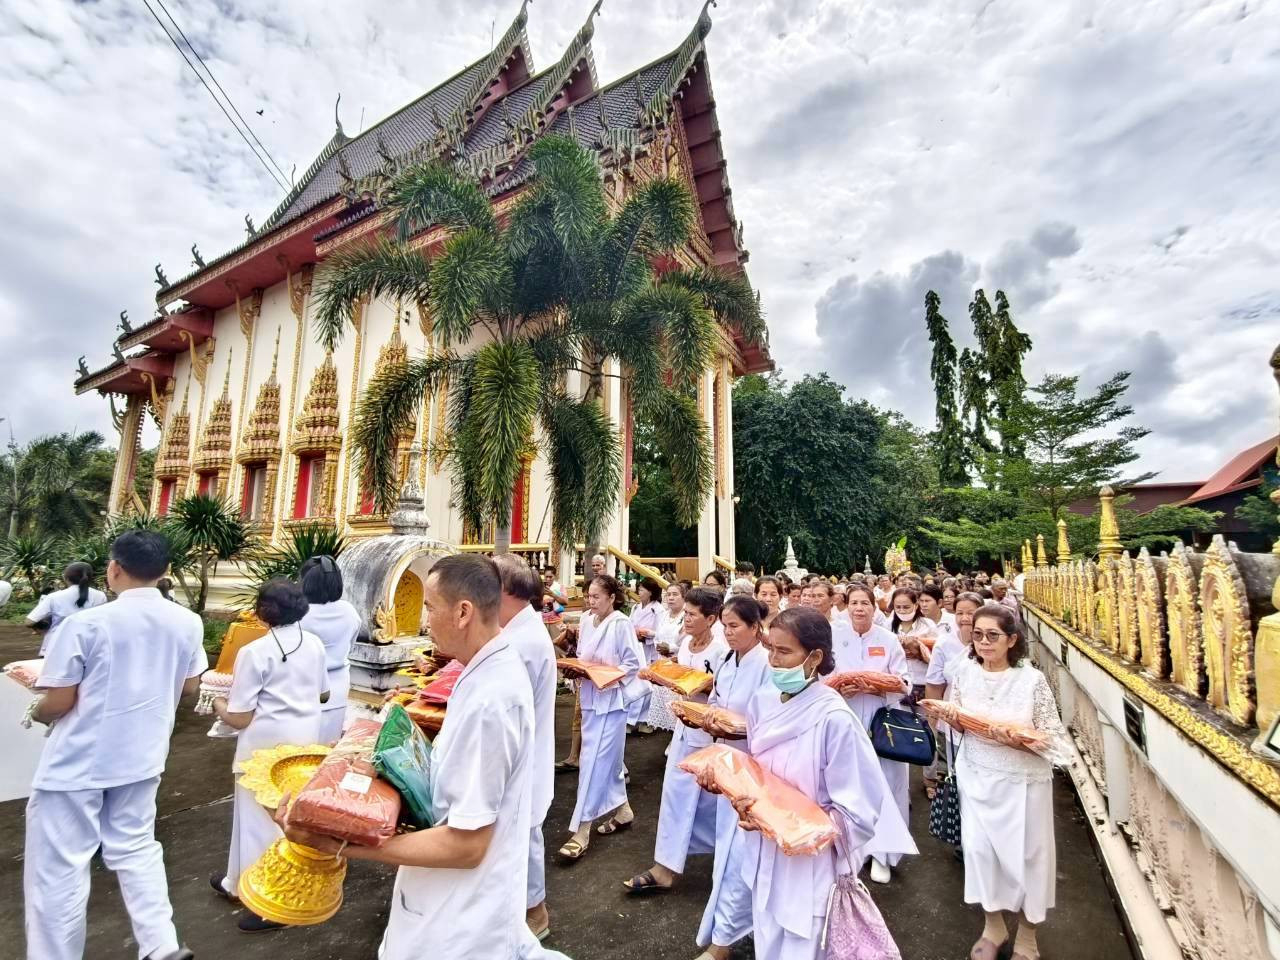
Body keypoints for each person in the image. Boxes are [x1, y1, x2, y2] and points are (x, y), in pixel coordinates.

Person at [280, 554, 568, 960]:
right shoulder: (482, 666)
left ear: (463, 612)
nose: (424, 619)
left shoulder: (492, 698)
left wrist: (339, 843)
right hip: (448, 900)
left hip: (460, 921)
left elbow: (467, 846)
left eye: (430, 608)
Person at [24, 531, 204, 960]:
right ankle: (161, 945)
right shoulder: (187, 621)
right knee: (137, 846)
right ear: (165, 573)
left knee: (60, 869)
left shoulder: (86, 624)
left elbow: (58, 701)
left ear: (114, 569)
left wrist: (33, 711)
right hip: (142, 755)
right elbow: (191, 690)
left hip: (79, 761)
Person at [735, 607, 897, 960]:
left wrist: (801, 829)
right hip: (764, 851)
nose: (774, 661)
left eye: (784, 652)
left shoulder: (834, 718)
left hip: (811, 866)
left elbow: (859, 808)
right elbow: (757, 774)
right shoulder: (762, 702)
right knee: (766, 937)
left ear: (815, 657)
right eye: (771, 649)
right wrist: (747, 804)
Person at [935, 604, 1067, 960]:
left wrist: (1019, 739)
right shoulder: (966, 674)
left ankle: (1028, 933)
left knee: (1028, 857)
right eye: (977, 635)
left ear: (1012, 639)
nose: (984, 643)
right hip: (976, 774)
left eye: (993, 635)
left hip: (1022, 782)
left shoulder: (1031, 680)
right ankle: (993, 925)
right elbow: (959, 720)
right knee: (980, 853)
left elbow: (1055, 739)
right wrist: (951, 716)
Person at [211, 578, 328, 931]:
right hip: (305, 741)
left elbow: (240, 715)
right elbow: (323, 695)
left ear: (262, 612)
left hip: (264, 744)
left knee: (256, 821)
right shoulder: (314, 644)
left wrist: (216, 702)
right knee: (285, 817)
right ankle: (238, 881)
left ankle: (268, 899)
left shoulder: (255, 651)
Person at [623, 586, 729, 894]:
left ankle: (726, 862)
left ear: (711, 618)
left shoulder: (721, 651)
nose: (686, 619)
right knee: (674, 798)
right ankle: (665, 867)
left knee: (715, 805)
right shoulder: (685, 645)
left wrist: (700, 688)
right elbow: (680, 680)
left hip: (711, 736)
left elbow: (723, 694)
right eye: (686, 613)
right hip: (684, 730)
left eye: (693, 615)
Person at [695, 595, 773, 960]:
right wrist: (711, 717)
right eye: (724, 626)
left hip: (755, 769)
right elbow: (718, 700)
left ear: (756, 628)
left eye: (735, 626)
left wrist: (735, 726)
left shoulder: (766, 665)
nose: (727, 633)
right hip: (727, 762)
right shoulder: (728, 660)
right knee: (725, 851)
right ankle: (732, 932)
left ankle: (724, 940)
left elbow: (767, 720)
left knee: (742, 854)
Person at [492, 555, 559, 945]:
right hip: (522, 750)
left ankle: (535, 911)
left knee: (524, 835)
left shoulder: (524, 640)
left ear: (503, 592)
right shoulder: (516, 631)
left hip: (522, 753)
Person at [834, 583, 916, 884]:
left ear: (874, 607)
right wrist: (843, 686)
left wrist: (875, 685)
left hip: (882, 720)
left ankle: (883, 853)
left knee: (887, 784)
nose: (859, 608)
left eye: (864, 603)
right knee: (850, 785)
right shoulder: (835, 637)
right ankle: (854, 850)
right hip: (845, 717)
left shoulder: (888, 640)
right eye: (853, 602)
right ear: (847, 606)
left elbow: (905, 682)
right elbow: (823, 677)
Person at [562, 574, 641, 860]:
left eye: (597, 597)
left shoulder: (621, 623)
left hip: (612, 702)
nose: (591, 601)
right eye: (589, 596)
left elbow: (633, 664)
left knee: (593, 762)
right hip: (589, 699)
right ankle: (623, 809)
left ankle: (582, 830)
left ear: (612, 598)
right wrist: (577, 670)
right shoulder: (585, 620)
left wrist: (603, 676)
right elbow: (583, 656)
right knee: (604, 761)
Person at [298, 555, 361, 743]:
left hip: (302, 688)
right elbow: (351, 644)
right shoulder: (349, 611)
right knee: (327, 748)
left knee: (299, 754)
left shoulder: (298, 614)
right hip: (338, 686)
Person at [27, 562, 107, 655]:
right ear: (90, 578)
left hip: (56, 648)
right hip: (89, 647)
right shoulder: (100, 596)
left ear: (66, 578)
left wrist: (40, 629)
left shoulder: (54, 597)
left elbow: (29, 621)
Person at [646, 582, 688, 733]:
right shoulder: (664, 615)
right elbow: (658, 635)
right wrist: (659, 645)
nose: (671, 598)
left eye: (675, 594)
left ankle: (678, 734)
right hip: (663, 662)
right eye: (668, 594)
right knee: (664, 699)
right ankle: (671, 733)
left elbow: (687, 641)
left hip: (678, 663)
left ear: (684, 597)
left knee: (677, 701)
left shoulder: (686, 616)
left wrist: (671, 649)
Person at [627, 577, 664, 735]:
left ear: (650, 592)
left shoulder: (658, 609)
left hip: (650, 650)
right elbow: (629, 625)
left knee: (649, 687)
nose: (639, 592)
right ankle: (629, 721)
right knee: (635, 684)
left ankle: (645, 721)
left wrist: (646, 634)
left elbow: (661, 632)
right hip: (637, 649)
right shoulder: (635, 608)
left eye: (642, 589)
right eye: (639, 589)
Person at [889, 586, 937, 704]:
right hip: (898, 684)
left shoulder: (928, 625)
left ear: (916, 605)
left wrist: (918, 650)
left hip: (923, 682)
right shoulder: (887, 626)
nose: (902, 611)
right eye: (898, 607)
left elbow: (937, 654)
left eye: (906, 607)